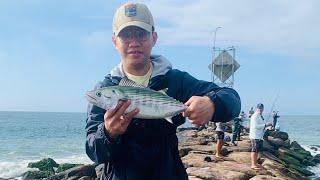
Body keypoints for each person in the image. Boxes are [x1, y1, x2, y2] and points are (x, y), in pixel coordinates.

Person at [85, 2, 241, 179]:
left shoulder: (176, 80)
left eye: (141, 34)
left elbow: (232, 99)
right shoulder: (105, 90)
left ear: (154, 37)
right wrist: (107, 133)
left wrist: (212, 103)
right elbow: (93, 152)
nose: (134, 42)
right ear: (115, 41)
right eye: (126, 35)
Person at [249, 103, 272, 170]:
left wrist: (266, 126)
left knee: (257, 150)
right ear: (257, 108)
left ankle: (255, 163)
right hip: (255, 136)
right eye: (259, 108)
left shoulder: (260, 116)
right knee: (254, 150)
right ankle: (253, 165)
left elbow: (262, 125)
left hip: (259, 136)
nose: (260, 109)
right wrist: (265, 125)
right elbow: (255, 126)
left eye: (261, 108)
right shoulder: (255, 116)